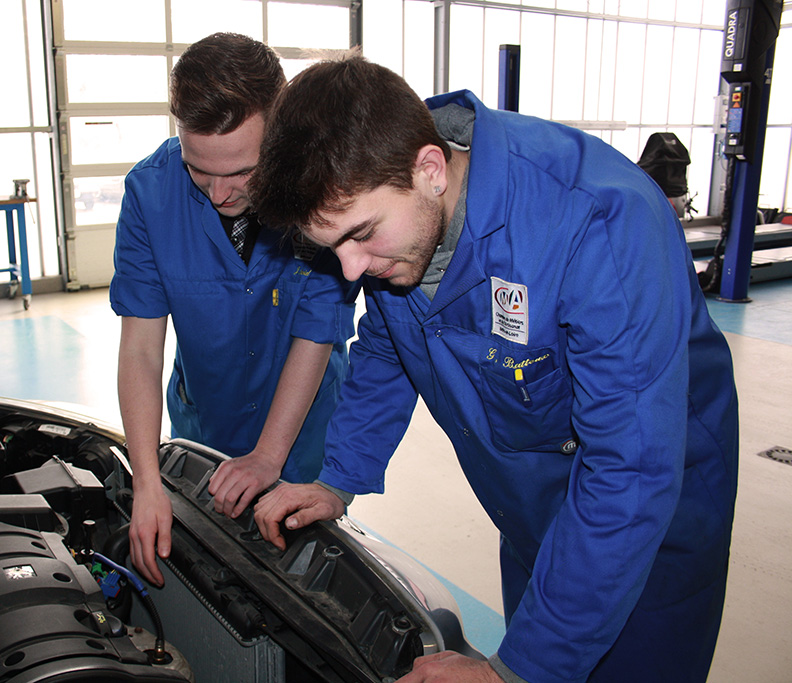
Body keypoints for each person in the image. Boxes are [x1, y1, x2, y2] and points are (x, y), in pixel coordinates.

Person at [250, 55, 738, 683]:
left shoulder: (599, 223)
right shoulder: (397, 206)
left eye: (361, 235)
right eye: (331, 246)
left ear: (430, 167)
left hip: (650, 522)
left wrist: (515, 670)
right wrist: (337, 480)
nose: (349, 270)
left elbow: (631, 470)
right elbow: (387, 344)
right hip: (530, 505)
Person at [110, 34, 357, 588]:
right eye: (200, 171)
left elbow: (316, 333)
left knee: (305, 587)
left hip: (302, 427)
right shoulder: (149, 195)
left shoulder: (318, 183)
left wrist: (270, 456)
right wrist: (146, 480)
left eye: (243, 171)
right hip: (206, 422)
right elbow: (142, 348)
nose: (220, 194)